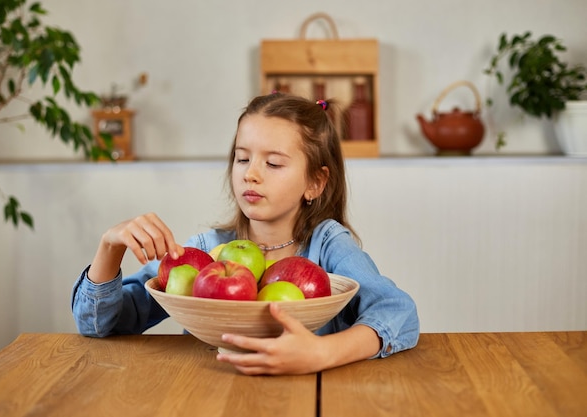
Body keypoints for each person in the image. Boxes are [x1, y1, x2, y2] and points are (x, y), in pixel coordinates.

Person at [71, 92, 419, 375]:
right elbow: (101, 324)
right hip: (212, 395)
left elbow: (398, 312)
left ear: (315, 182)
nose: (251, 174)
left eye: (273, 163)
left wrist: (323, 353)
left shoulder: (327, 245)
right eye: (242, 159)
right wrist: (109, 248)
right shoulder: (207, 252)